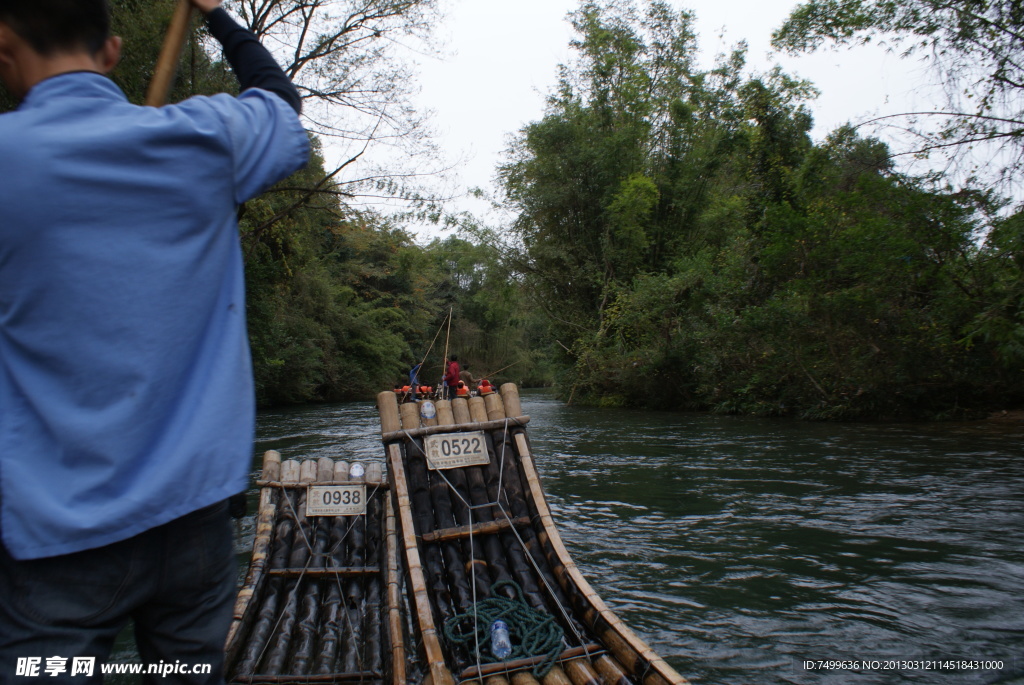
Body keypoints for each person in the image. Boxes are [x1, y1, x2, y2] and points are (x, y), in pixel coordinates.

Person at [0, 0, 308, 681]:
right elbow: (281, 105)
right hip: (193, 521)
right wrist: (219, 17)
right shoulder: (205, 139)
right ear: (111, 51)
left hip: (56, 534)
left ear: (5, 51)